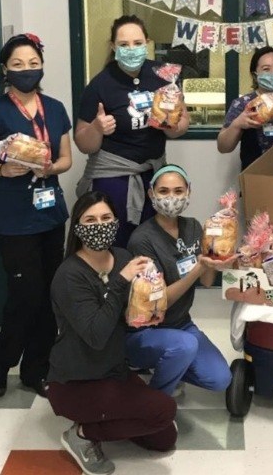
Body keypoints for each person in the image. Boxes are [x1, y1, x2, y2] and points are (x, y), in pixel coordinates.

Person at [0, 33, 72, 398]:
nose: (27, 70)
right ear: (5, 70)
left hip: (49, 215)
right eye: (17, 65)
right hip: (12, 220)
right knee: (25, 294)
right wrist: (1, 171)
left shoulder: (55, 108)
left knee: (48, 294)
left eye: (33, 64)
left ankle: (36, 370)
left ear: (41, 65)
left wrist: (50, 168)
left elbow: (66, 159)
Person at [47, 191, 177, 475]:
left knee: (164, 438)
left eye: (106, 218)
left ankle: (105, 421)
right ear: (78, 228)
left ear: (116, 223)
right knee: (164, 411)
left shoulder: (121, 257)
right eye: (90, 220)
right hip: (76, 381)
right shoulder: (69, 275)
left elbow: (130, 313)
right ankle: (81, 433)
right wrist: (121, 281)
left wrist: (149, 296)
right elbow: (96, 334)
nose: (99, 226)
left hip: (113, 370)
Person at [74, 15, 190, 248]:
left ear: (147, 42)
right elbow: (83, 143)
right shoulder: (100, 85)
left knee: (153, 242)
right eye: (124, 45)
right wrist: (97, 128)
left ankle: (151, 285)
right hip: (113, 178)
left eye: (137, 43)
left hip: (154, 175)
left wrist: (174, 123)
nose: (132, 49)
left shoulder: (163, 75)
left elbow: (182, 122)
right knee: (116, 243)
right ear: (113, 47)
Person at [125, 164, 233, 396]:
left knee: (220, 379)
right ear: (151, 194)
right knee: (184, 346)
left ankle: (168, 363)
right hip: (146, 330)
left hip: (181, 323)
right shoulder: (142, 239)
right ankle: (153, 401)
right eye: (163, 191)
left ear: (188, 192)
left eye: (178, 191)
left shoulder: (193, 226)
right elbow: (158, 303)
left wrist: (215, 255)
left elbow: (206, 282)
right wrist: (199, 266)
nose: (171, 198)